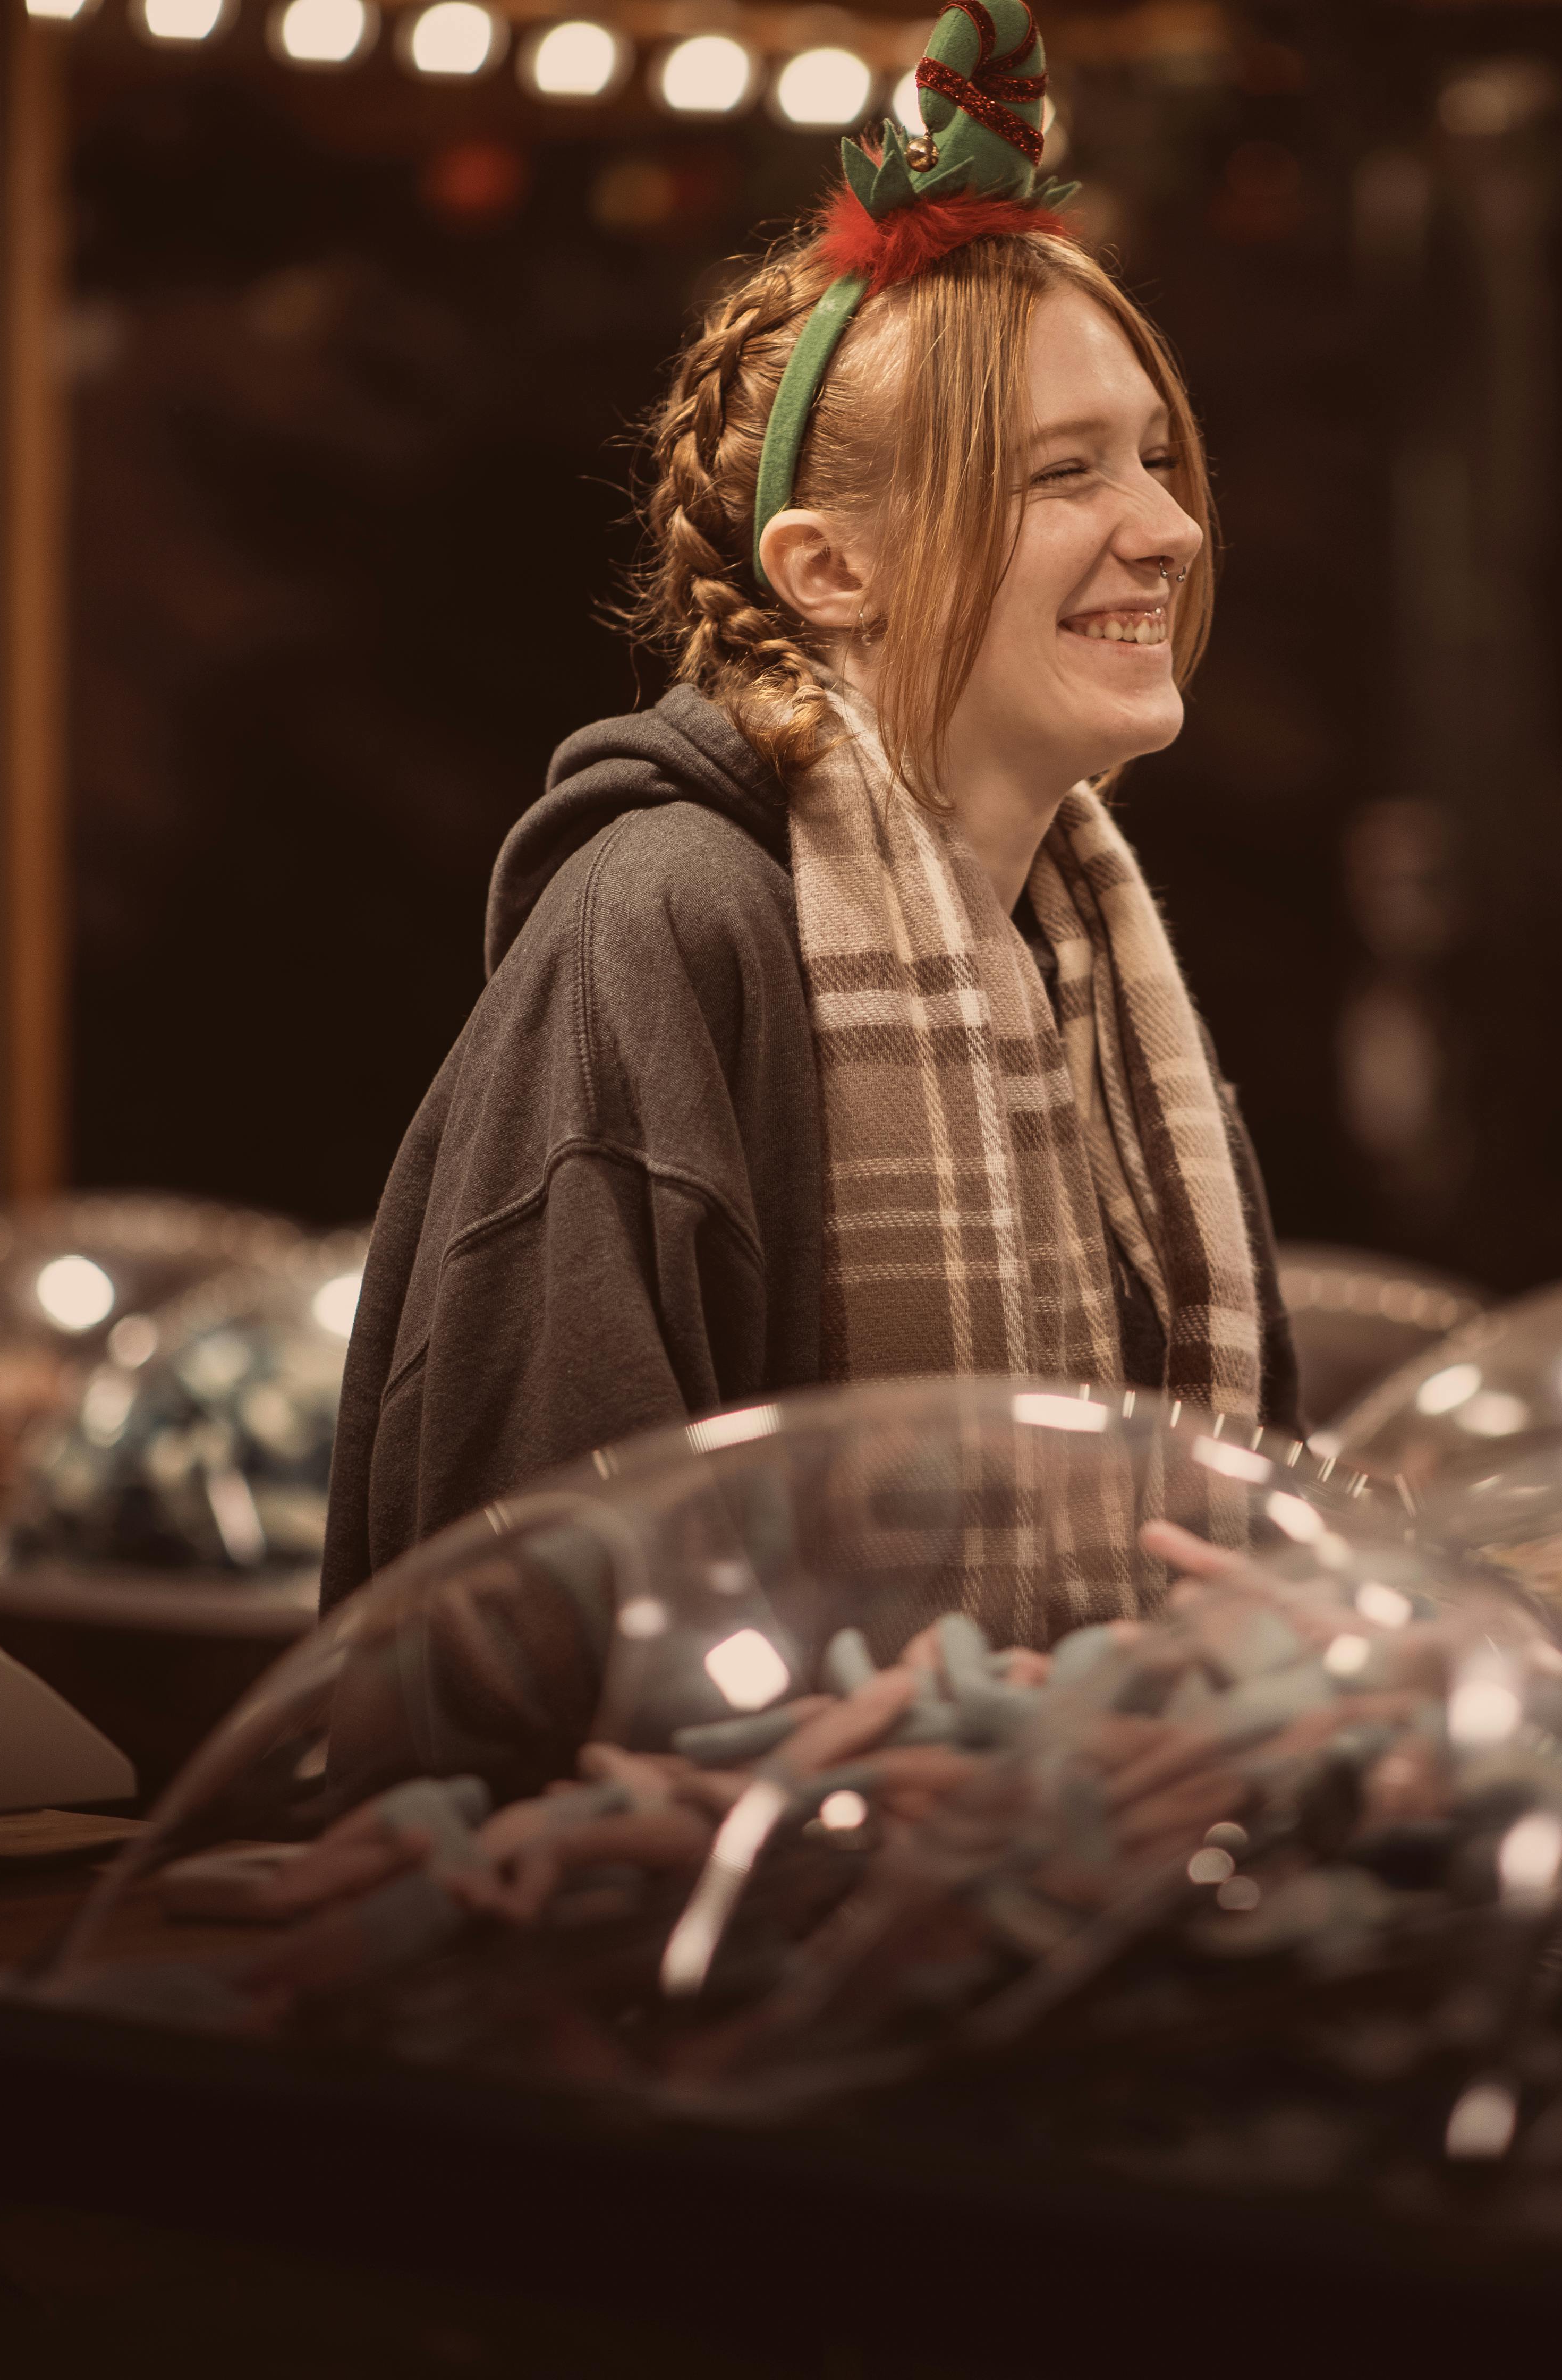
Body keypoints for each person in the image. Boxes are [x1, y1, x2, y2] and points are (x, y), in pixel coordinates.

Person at [323, 0, 1297, 1609]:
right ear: (829, 572)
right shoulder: (665, 926)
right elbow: (527, 1640)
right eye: (1066, 474)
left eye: (1156, 459)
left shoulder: (1094, 965)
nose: (1169, 531)